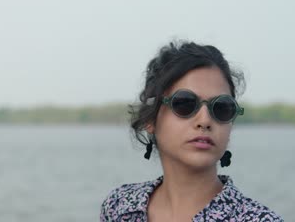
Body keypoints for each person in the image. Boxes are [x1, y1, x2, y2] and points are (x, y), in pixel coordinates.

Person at [100, 41, 283, 222]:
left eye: (221, 108)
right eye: (184, 103)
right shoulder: (119, 207)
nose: (205, 121)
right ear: (150, 118)